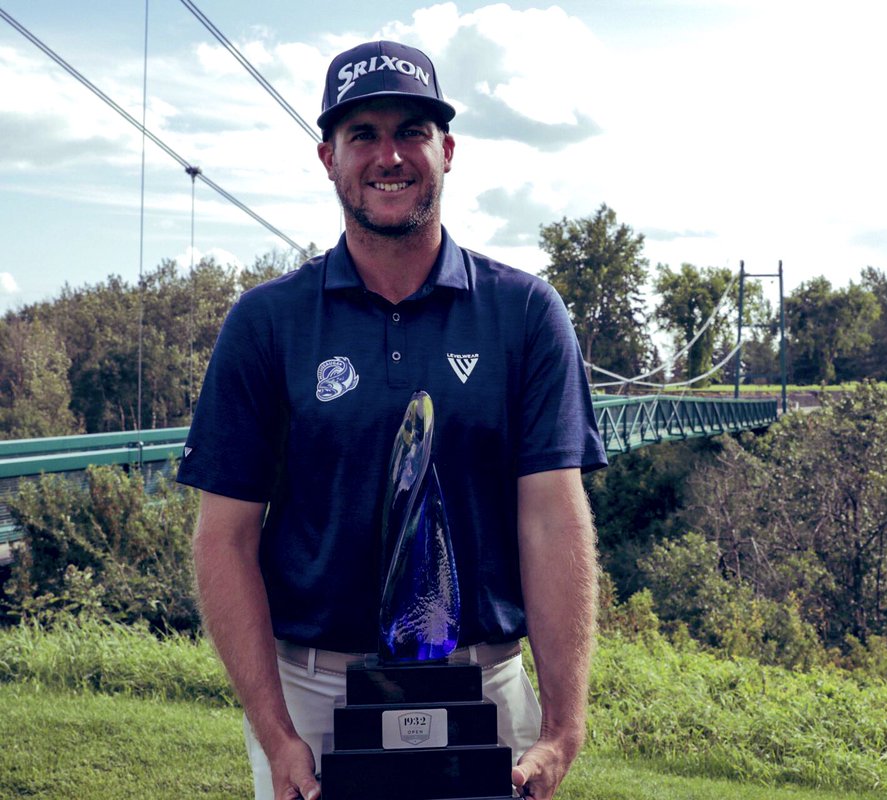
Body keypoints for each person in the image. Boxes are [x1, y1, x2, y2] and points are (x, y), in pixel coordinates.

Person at [178, 40, 607, 800]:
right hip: (315, 692)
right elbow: (224, 536)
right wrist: (276, 735)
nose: (389, 156)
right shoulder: (266, 322)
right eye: (363, 135)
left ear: (446, 150)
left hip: (487, 683)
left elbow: (552, 521)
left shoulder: (526, 313)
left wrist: (563, 726)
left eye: (410, 131)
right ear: (327, 157)